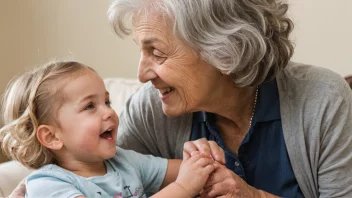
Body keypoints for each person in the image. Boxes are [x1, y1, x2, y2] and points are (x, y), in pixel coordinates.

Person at [105, 0, 352, 197]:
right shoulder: (150, 110)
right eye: (141, 50)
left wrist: (252, 197)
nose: (142, 74)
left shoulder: (323, 100)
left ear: (224, 50)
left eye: (157, 52)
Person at [0, 61, 224, 198]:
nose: (108, 112)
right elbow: (184, 181)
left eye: (107, 102)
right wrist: (184, 188)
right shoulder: (47, 186)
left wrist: (201, 156)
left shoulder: (124, 162)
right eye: (90, 106)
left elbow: (186, 168)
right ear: (52, 136)